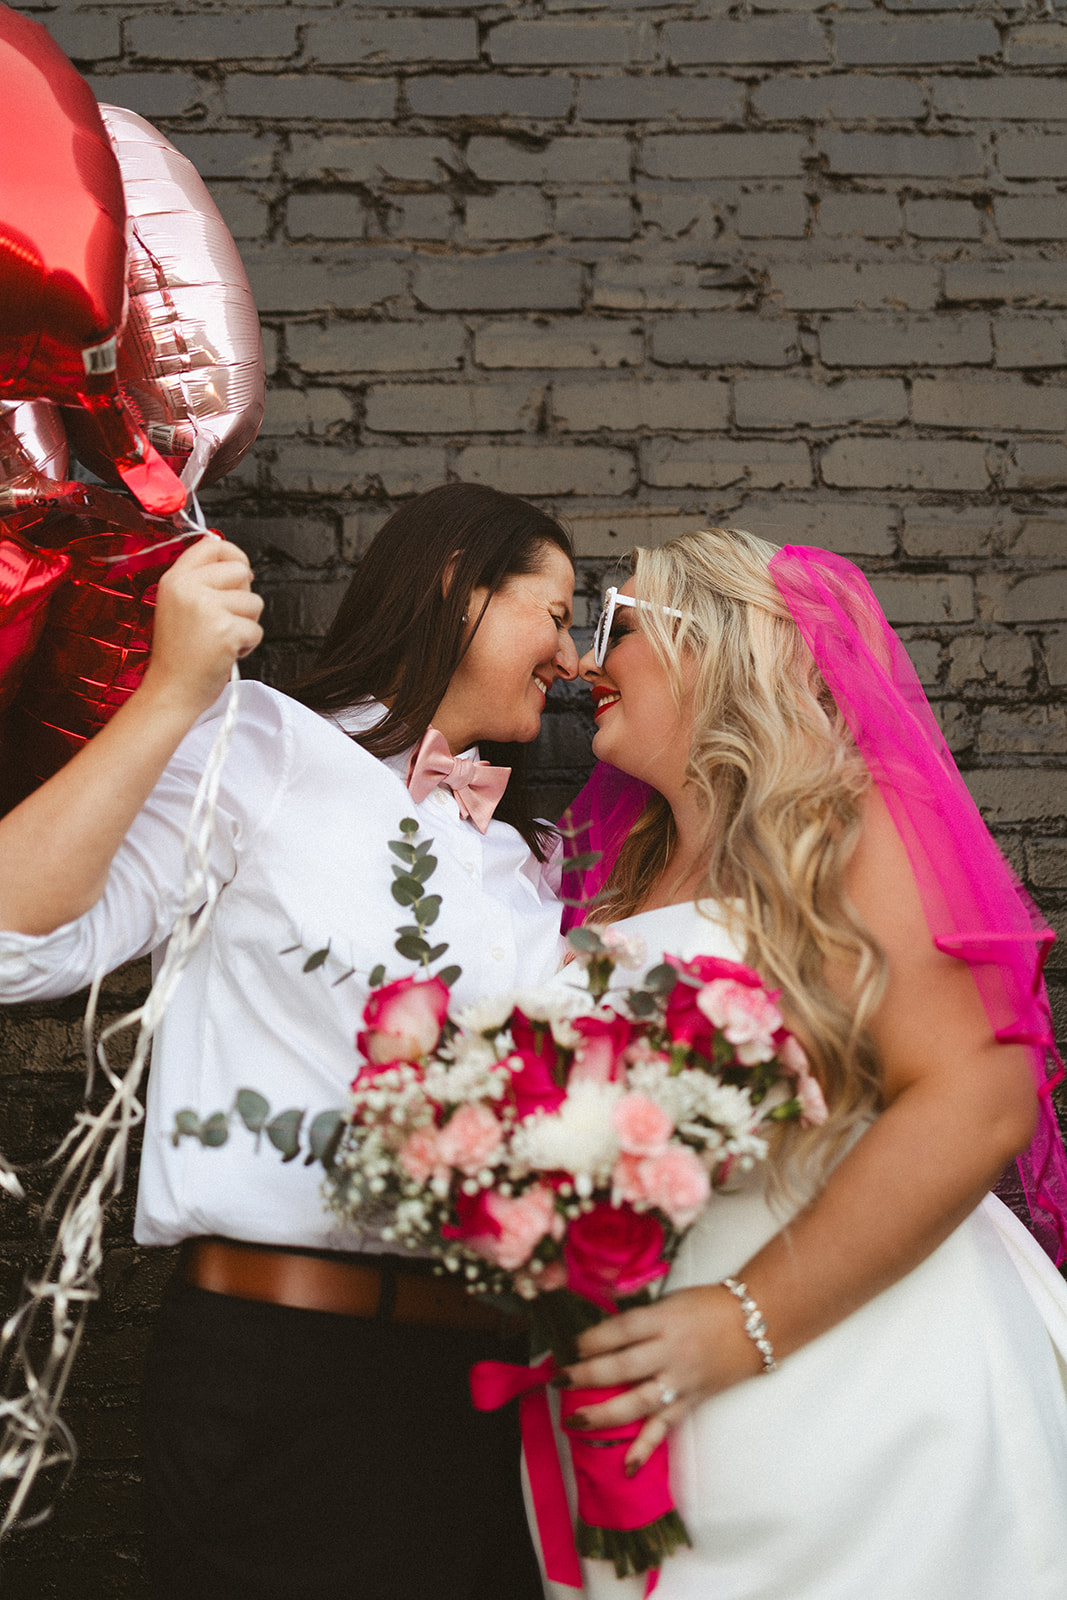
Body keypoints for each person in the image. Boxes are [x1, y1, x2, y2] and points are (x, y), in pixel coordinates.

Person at [0, 482, 580, 1600]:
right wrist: (174, 690)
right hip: (285, 1367)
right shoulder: (258, 745)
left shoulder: (518, 871)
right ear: (460, 585)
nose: (568, 653)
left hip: (483, 1390)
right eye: (552, 612)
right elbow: (14, 947)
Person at [540, 527, 1067, 1600]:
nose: (588, 665)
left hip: (859, 1373)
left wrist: (739, 1322)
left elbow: (977, 1097)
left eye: (617, 628)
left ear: (711, 646)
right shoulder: (608, 875)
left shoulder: (852, 824)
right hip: (648, 1401)